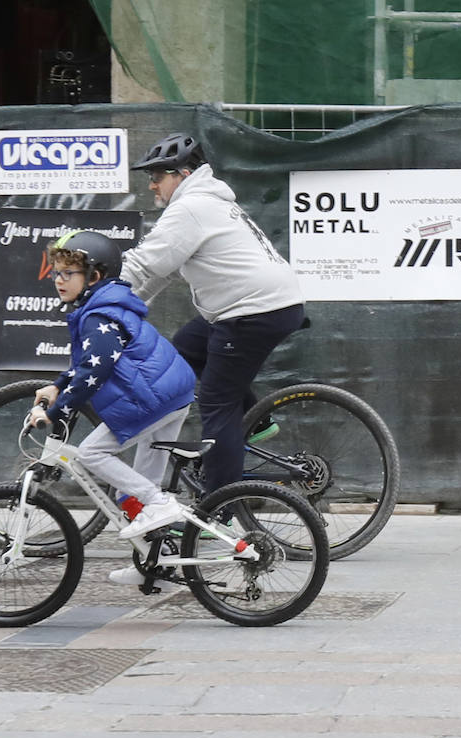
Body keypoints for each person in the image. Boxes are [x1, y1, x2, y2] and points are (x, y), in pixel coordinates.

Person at [121, 132, 306, 496]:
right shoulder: (205, 203)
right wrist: (129, 304)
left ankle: (218, 513)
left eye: (158, 175)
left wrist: (102, 299)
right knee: (183, 351)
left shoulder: (190, 208)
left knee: (217, 406)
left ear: (184, 175)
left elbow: (144, 262)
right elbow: (164, 270)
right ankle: (255, 418)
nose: (152, 184)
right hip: (263, 305)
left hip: (251, 312)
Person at [27, 230, 196, 585]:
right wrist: (58, 386)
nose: (57, 280)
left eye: (67, 273)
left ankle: (160, 504)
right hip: (171, 392)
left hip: (154, 397)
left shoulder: (96, 315)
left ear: (94, 276)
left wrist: (54, 412)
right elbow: (90, 362)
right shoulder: (103, 305)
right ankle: (157, 563)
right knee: (131, 491)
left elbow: (95, 369)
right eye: (55, 272)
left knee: (91, 454)